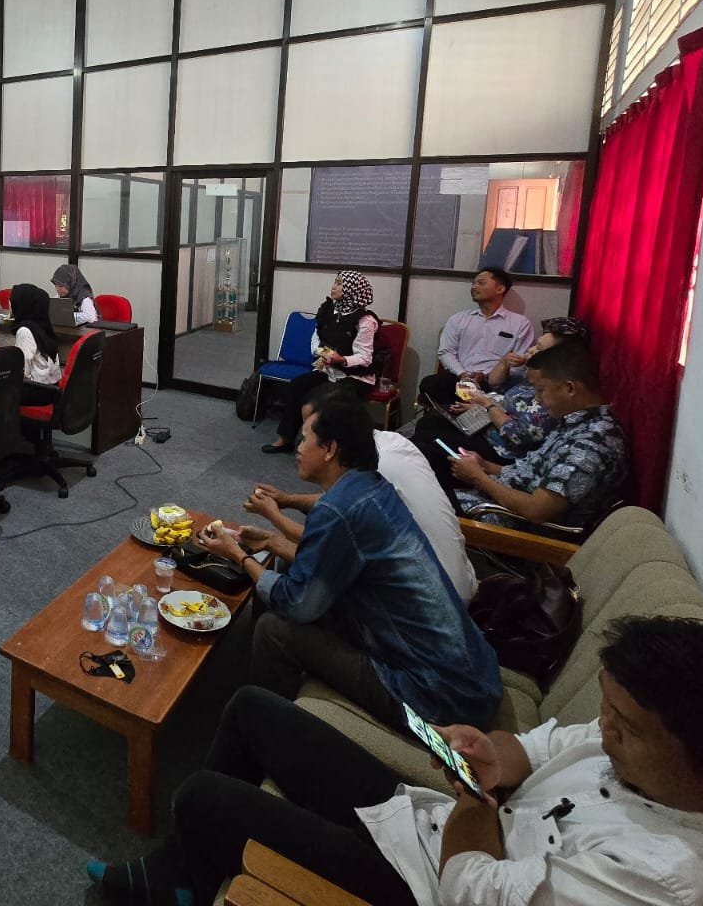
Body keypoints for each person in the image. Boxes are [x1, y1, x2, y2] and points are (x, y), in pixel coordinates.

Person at [88, 615, 703, 906]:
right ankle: (181, 878)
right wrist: (491, 757)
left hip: (428, 884)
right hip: (450, 824)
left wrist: (475, 806)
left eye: (624, 728)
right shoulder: (672, 757)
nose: (607, 732)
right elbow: (540, 745)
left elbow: (473, 886)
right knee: (251, 706)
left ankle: (176, 877)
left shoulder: (671, 883)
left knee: (207, 796)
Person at [198, 394, 500, 729]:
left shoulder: (340, 510)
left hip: (436, 695)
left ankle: (268, 729)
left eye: (306, 439)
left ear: (330, 449)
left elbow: (299, 604)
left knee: (275, 630)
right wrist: (270, 541)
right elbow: (326, 561)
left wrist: (239, 556)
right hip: (472, 675)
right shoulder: (371, 486)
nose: (297, 447)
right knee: (286, 572)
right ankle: (265, 677)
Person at [250, 385, 477, 603]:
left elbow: (324, 544)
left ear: (332, 439)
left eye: (309, 432)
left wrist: (272, 521)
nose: (301, 443)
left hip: (431, 597)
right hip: (455, 581)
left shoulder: (374, 471)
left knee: (279, 617)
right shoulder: (387, 443)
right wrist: (288, 500)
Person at [450, 339, 628, 532]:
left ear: (570, 388)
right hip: (503, 496)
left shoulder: (591, 445)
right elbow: (530, 472)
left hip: (512, 522)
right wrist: (484, 465)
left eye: (540, 390)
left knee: (425, 502)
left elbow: (536, 510)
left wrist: (478, 478)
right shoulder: (572, 421)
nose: (537, 398)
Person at [413, 316, 590, 493]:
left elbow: (519, 435)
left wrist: (487, 405)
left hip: (503, 450)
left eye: (539, 348)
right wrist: (505, 363)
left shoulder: (553, 392)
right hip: (489, 429)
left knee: (426, 442)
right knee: (429, 422)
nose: (531, 350)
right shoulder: (531, 376)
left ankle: (432, 486)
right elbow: (496, 384)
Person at [262, 271, 378, 454]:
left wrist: (341, 359)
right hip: (329, 370)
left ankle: (324, 449)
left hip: (355, 377)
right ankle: (286, 438)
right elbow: (316, 339)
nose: (334, 286)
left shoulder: (365, 320)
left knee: (326, 399)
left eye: (340, 283)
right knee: (297, 385)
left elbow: (364, 357)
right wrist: (323, 354)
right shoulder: (328, 310)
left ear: (352, 290)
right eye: (335, 282)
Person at [417, 267, 534, 410]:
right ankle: (464, 416)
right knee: (430, 383)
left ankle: (465, 414)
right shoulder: (459, 319)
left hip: (494, 385)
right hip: (460, 380)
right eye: (473, 283)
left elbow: (519, 365)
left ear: (500, 289)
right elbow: (446, 352)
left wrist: (487, 376)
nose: (474, 287)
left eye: (481, 283)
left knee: (511, 394)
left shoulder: (520, 323)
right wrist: (463, 374)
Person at [8, 283, 64, 404]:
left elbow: (23, 371)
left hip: (38, 390)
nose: (9, 304)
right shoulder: (41, 325)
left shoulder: (25, 331)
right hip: (52, 388)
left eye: (12, 300)